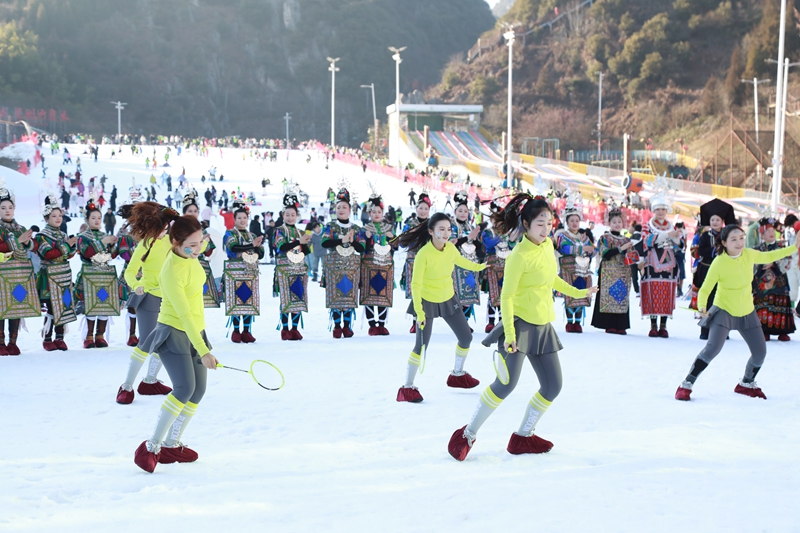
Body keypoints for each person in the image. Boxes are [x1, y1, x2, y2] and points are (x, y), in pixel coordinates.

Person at [448, 194, 597, 461]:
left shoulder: (547, 246)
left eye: (549, 223)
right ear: (526, 224)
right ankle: (467, 435)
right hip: (517, 327)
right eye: (540, 223)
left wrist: (578, 291)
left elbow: (552, 278)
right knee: (505, 385)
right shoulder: (519, 255)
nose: (546, 228)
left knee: (553, 387)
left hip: (542, 327)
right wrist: (510, 335)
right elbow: (506, 297)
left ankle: (523, 437)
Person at [133, 214, 219, 473]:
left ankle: (172, 444)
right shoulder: (170, 270)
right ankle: (151, 446)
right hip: (173, 331)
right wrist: (203, 351)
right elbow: (183, 314)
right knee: (183, 389)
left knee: (198, 391)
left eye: (199, 242)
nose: (196, 249)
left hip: (195, 331)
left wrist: (202, 344)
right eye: (190, 245)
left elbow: (195, 309)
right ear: (174, 242)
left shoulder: (192, 259)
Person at [675, 225, 800, 401]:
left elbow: (770, 256)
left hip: (747, 310)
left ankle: (746, 383)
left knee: (760, 353)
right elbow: (704, 290)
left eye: (741, 238)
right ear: (724, 243)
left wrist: (794, 247)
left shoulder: (749, 254)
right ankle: (686, 383)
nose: (739, 242)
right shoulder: (719, 262)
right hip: (724, 310)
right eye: (734, 239)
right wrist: (702, 307)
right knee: (712, 349)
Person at [395, 212, 487, 403]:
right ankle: (406, 387)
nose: (446, 233)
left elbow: (463, 263)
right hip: (426, 301)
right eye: (441, 229)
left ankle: (457, 374)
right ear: (431, 231)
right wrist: (419, 312)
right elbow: (416, 285)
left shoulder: (450, 249)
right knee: (421, 346)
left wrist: (483, 266)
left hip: (448, 298)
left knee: (466, 337)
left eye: (448, 229)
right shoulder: (423, 254)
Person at [115, 202, 179, 404]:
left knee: (166, 343)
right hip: (149, 297)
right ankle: (126, 385)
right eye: (159, 227)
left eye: (165, 226)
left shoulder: (173, 242)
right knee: (145, 344)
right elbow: (129, 272)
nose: (163, 230)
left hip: (170, 298)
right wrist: (136, 285)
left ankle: (150, 381)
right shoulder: (145, 245)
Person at [635, 187, 683, 337]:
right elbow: (645, 242)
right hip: (651, 263)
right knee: (652, 292)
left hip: (669, 264)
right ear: (654, 210)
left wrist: (676, 239)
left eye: (663, 209)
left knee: (666, 293)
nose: (661, 212)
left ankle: (664, 324)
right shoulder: (647, 225)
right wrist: (666, 236)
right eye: (658, 209)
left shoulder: (671, 226)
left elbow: (679, 246)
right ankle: (653, 324)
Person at [35, 195, 78, 351]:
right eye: (54, 216)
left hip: (64, 275)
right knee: (51, 308)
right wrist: (67, 246)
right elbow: (48, 254)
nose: (58, 218)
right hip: (48, 276)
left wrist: (71, 247)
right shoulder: (41, 236)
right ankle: (47, 338)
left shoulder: (63, 235)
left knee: (63, 306)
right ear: (46, 218)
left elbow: (67, 255)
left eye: (60, 215)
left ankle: (60, 338)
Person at [74, 200, 119, 348]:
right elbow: (87, 254)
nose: (97, 221)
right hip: (89, 273)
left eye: (99, 218)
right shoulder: (83, 236)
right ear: (87, 220)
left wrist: (113, 246)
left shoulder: (104, 234)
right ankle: (88, 336)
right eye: (93, 218)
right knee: (91, 306)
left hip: (104, 274)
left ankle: (100, 335)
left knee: (104, 305)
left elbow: (110, 256)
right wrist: (103, 242)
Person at [321, 188, 364, 338]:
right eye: (338, 207)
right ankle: (337, 326)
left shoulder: (356, 228)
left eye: (344, 207)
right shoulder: (331, 226)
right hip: (334, 267)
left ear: (350, 210)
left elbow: (362, 247)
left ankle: (347, 326)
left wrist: (353, 242)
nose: (341, 210)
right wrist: (342, 240)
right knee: (335, 297)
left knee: (348, 297)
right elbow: (325, 243)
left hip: (351, 267)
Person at [0, 183, 35, 355]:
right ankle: (0, 342)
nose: (7, 210)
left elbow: (31, 246)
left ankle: (13, 341)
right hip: (2, 274)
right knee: (1, 307)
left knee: (16, 305)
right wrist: (17, 241)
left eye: (10, 207)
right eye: (3, 207)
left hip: (19, 274)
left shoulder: (20, 227)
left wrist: (27, 241)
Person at [690, 201, 733, 339]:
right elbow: (701, 250)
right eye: (712, 219)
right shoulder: (704, 236)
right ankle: (705, 330)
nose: (715, 222)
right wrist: (714, 250)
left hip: (724, 272)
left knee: (722, 300)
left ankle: (722, 331)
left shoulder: (728, 236)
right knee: (707, 299)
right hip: (707, 270)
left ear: (722, 221)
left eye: (718, 220)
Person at [223, 200, 264, 343]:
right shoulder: (229, 233)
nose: (242, 220)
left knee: (248, 299)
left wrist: (258, 247)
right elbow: (233, 248)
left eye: (244, 218)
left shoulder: (252, 235)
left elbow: (261, 254)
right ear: (234, 220)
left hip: (250, 271)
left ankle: (246, 331)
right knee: (236, 300)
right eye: (239, 218)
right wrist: (251, 246)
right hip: (234, 272)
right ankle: (236, 331)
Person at [553, 193, 595, 333]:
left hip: (582, 270)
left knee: (581, 293)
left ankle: (578, 322)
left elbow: (593, 251)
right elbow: (564, 249)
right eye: (571, 221)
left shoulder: (583, 236)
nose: (574, 223)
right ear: (567, 221)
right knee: (569, 295)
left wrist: (590, 251)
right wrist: (582, 248)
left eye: (577, 220)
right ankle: (570, 322)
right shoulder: (563, 236)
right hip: (568, 269)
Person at [273, 193, 310, 340]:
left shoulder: (300, 231)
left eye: (292, 215)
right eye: (287, 214)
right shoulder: (280, 230)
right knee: (286, 299)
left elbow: (306, 251)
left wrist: (306, 243)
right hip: (285, 269)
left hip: (299, 269)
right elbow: (282, 246)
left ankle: (294, 328)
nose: (290, 217)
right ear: (283, 215)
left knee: (298, 297)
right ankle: (285, 328)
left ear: (297, 216)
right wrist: (299, 242)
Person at [752, 217, 796, 341]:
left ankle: (782, 331)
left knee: (780, 304)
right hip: (762, 283)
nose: (771, 233)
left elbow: (788, 260)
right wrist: (762, 264)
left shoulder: (782, 246)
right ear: (762, 235)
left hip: (779, 281)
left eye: (772, 231)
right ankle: (764, 331)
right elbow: (752, 263)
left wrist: (775, 264)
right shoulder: (757, 249)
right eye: (767, 232)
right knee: (763, 305)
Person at [590, 209, 633, 334]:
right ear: (609, 223)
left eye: (619, 221)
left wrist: (631, 249)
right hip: (608, 272)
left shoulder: (626, 239)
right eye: (614, 222)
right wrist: (620, 248)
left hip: (623, 271)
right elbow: (605, 253)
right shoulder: (605, 238)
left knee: (621, 296)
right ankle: (609, 324)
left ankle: (620, 324)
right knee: (609, 295)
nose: (617, 224)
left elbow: (632, 256)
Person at [361, 193, 395, 336]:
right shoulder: (365, 228)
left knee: (383, 293)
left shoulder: (388, 228)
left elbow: (395, 247)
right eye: (373, 212)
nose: (376, 214)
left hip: (385, 265)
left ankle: (381, 324)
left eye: (379, 212)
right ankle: (372, 324)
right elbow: (361, 247)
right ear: (369, 213)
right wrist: (367, 239)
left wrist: (392, 240)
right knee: (369, 292)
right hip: (369, 264)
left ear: (383, 213)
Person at [481, 199, 515, 333]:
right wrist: (503, 238)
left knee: (504, 293)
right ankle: (490, 321)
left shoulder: (509, 233)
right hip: (492, 266)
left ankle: (502, 320)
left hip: (506, 266)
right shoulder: (488, 232)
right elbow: (488, 244)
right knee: (493, 294)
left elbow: (513, 246)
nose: (499, 223)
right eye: (497, 220)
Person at [399, 193, 431, 334]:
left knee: (427, 292)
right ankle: (416, 321)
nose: (423, 211)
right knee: (416, 292)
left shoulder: (432, 224)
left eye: (426, 208)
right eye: (421, 208)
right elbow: (402, 242)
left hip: (429, 262)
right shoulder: (409, 224)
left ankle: (424, 320)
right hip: (413, 260)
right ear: (416, 208)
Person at [450, 191, 483, 324]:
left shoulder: (471, 226)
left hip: (471, 265)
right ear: (455, 211)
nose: (463, 213)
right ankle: (459, 322)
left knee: (470, 294)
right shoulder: (451, 226)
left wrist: (476, 241)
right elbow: (452, 243)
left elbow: (478, 246)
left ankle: (466, 322)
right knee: (459, 295)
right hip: (457, 266)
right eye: (460, 211)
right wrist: (469, 238)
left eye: (465, 211)